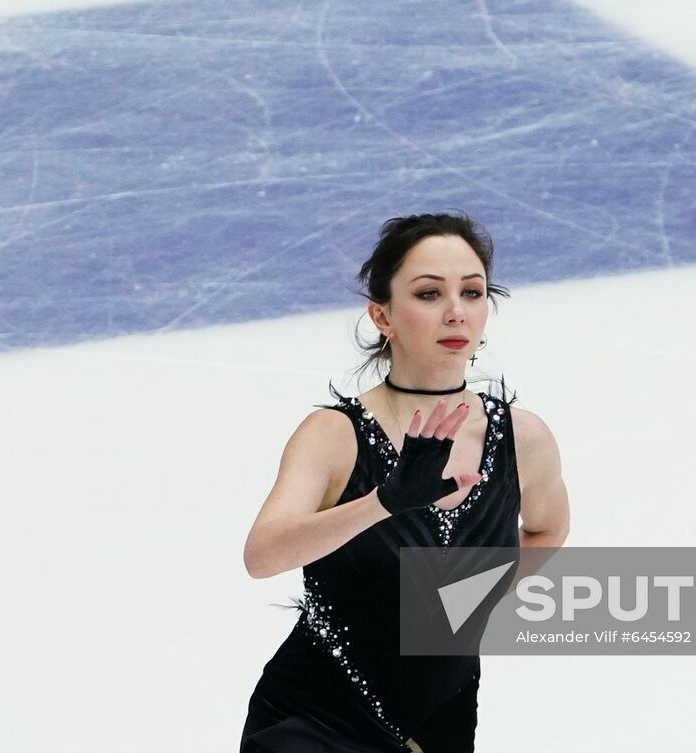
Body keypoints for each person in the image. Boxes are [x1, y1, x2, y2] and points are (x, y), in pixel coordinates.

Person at [240, 213, 571, 752]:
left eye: (472, 291)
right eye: (428, 294)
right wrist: (384, 502)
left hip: (440, 720)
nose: (455, 312)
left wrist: (467, 600)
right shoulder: (334, 435)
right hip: (314, 719)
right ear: (382, 315)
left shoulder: (521, 438)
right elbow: (263, 556)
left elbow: (546, 530)